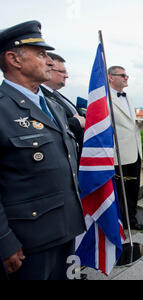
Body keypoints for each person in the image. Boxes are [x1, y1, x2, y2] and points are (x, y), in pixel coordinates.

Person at [0, 20, 85, 280]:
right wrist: (4, 241)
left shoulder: (53, 107)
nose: (49, 61)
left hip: (66, 228)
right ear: (14, 59)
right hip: (29, 242)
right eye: (41, 54)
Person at [107, 66, 143, 231]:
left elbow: (129, 124)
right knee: (120, 193)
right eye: (122, 75)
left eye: (126, 75)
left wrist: (142, 124)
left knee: (132, 189)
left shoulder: (127, 97)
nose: (126, 78)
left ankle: (132, 220)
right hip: (119, 154)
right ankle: (119, 224)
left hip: (135, 151)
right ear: (110, 77)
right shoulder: (104, 98)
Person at [41, 52, 85, 163]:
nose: (66, 75)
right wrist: (76, 122)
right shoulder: (40, 95)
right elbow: (46, 126)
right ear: (47, 69)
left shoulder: (56, 94)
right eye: (61, 72)